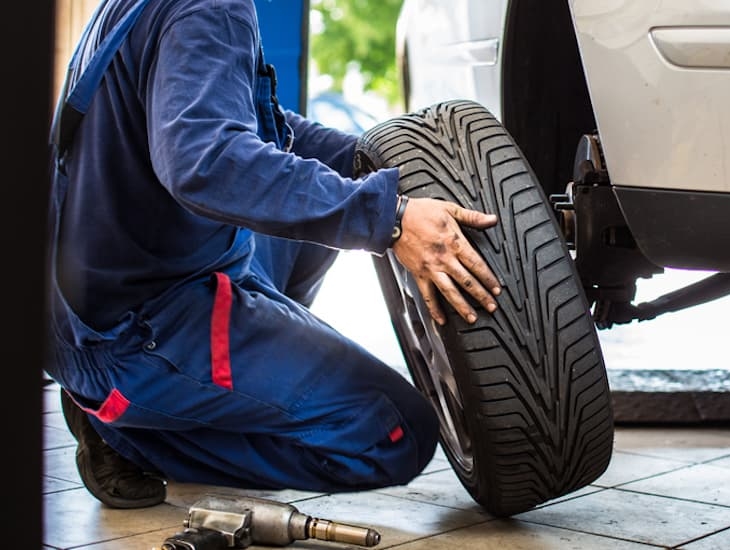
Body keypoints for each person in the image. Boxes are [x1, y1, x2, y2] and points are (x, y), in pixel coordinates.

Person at [45, 0, 501, 509]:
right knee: (397, 432)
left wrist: (367, 162)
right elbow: (206, 162)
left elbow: (246, 120)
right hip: (135, 329)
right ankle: (129, 431)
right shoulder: (212, 8)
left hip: (89, 297)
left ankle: (234, 384)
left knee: (308, 211)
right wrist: (388, 220)